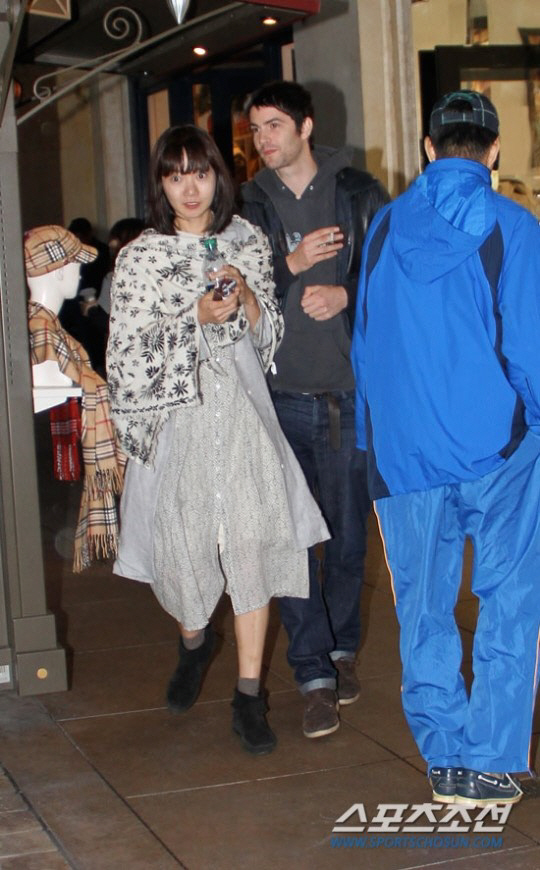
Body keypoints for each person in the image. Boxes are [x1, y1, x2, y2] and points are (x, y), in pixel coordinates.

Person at [106, 125, 329, 756]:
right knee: (182, 553)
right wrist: (193, 318)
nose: (190, 188)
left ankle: (249, 695)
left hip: (242, 415)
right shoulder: (143, 257)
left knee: (253, 546)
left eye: (200, 173)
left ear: (217, 177)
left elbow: (270, 333)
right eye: (175, 175)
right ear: (161, 184)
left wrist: (250, 298)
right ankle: (195, 642)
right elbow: (126, 353)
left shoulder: (245, 239)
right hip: (179, 421)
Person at [351, 90, 540, 807]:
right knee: (509, 601)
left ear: (429, 148)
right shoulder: (514, 227)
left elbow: (365, 343)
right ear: (494, 150)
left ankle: (447, 761)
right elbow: (529, 345)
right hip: (500, 451)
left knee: (423, 609)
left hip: (405, 454)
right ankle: (492, 763)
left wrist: (372, 440)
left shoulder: (383, 227)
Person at [241, 81, 389, 739]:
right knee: (291, 540)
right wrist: (291, 263)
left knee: (349, 539)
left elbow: (394, 278)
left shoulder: (358, 191)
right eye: (256, 129)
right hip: (276, 400)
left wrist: (346, 295)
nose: (263, 139)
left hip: (349, 397)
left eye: (274, 125)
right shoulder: (248, 204)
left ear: (305, 126)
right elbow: (230, 288)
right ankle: (313, 675)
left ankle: (341, 648)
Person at [25, 225, 125, 571]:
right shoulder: (42, 328)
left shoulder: (47, 325)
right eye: (74, 264)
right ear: (56, 270)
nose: (79, 273)